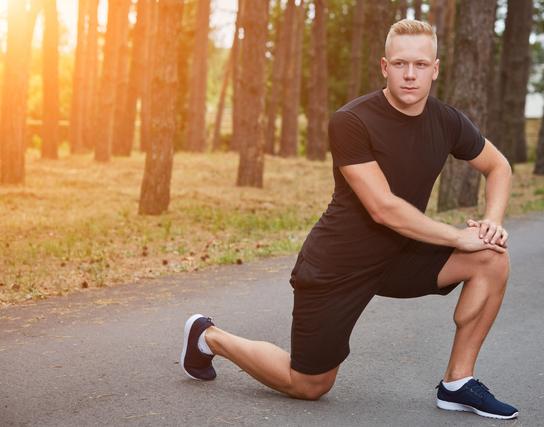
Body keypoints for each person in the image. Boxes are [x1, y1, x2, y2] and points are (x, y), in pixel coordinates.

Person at [180, 19, 518, 420]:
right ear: (384, 67)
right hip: (338, 264)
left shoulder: (447, 121)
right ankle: (209, 336)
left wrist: (492, 223)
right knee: (309, 385)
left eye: (421, 65)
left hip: (400, 255)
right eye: (400, 63)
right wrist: (457, 237)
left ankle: (458, 383)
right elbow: (383, 208)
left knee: (492, 257)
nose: (411, 74)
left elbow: (498, 167)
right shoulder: (352, 121)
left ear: (436, 68)